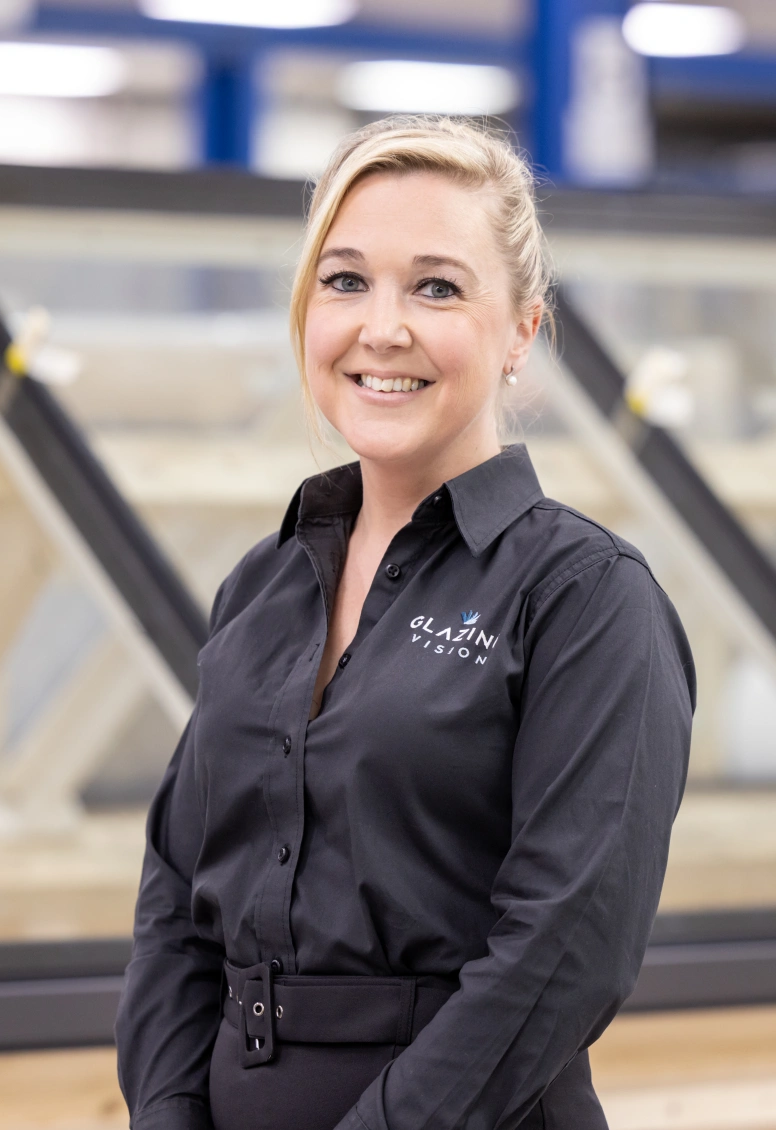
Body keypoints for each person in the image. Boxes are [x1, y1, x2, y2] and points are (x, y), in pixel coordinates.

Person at [115, 116, 695, 1130]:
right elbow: (174, 898)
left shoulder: (585, 596)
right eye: (345, 281)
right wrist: (165, 1110)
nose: (382, 326)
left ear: (522, 330)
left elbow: (562, 950)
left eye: (436, 286)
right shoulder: (262, 584)